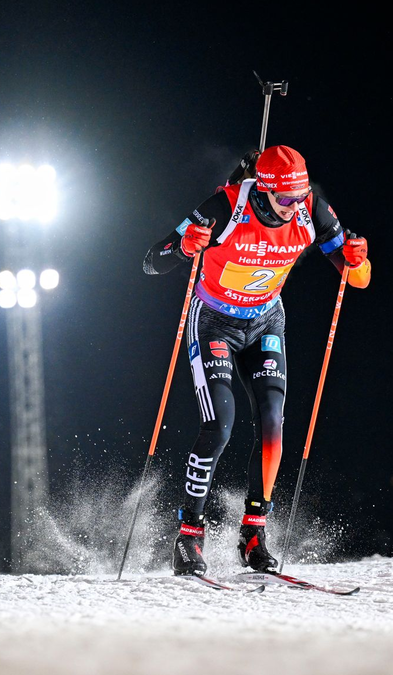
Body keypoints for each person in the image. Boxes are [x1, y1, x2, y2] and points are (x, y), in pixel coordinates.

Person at [142, 145, 371, 576]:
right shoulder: (225, 207)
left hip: (266, 323)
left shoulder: (312, 211)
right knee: (219, 425)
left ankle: (253, 535)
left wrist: (358, 260)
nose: (292, 208)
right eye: (284, 199)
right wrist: (187, 248)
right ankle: (189, 536)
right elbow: (152, 262)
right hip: (213, 324)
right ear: (264, 191)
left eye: (299, 198)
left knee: (272, 427)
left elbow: (357, 279)